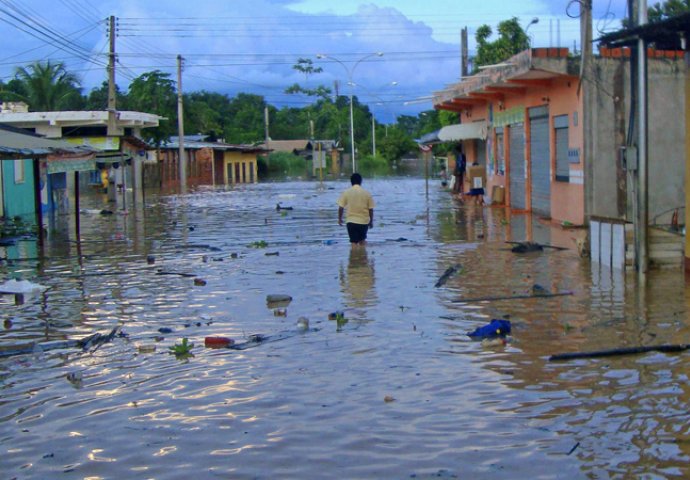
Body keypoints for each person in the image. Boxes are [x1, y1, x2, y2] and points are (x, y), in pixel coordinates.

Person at [337, 173, 375, 247]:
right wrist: (371, 221)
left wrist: (340, 219)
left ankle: (353, 256)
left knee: (353, 243)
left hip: (351, 221)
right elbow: (371, 209)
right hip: (363, 222)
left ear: (351, 182)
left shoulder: (346, 192)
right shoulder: (366, 193)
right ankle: (362, 256)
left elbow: (341, 207)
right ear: (361, 181)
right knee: (362, 241)